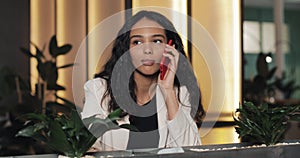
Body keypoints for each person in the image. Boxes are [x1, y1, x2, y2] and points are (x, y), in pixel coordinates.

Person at [81, 10, 205, 151]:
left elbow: (192, 150)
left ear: (170, 48)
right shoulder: (99, 90)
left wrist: (167, 90)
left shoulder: (179, 93)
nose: (147, 50)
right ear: (126, 49)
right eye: (137, 42)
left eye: (157, 41)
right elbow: (86, 147)